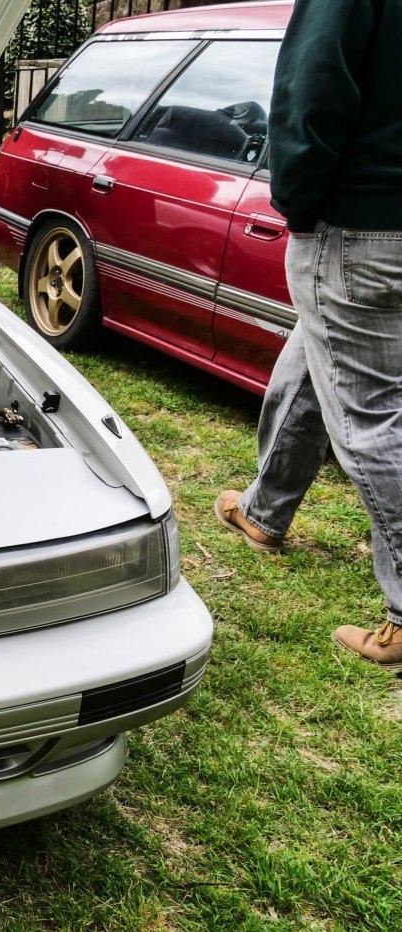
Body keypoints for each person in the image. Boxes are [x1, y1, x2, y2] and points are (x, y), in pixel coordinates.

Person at [215, 0, 402, 669]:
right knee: (315, 352)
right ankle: (265, 510)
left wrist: (298, 205)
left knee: (372, 421)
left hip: (359, 225)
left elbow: (311, 92)